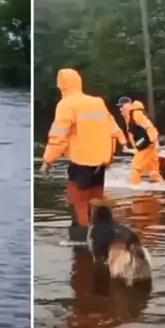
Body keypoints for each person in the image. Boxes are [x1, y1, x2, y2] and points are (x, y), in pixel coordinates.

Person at [40, 68, 125, 241]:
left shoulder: (66, 105)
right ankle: (102, 238)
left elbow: (58, 136)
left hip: (81, 160)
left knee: (78, 204)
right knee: (97, 202)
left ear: (62, 86)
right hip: (100, 162)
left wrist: (47, 161)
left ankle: (81, 242)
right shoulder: (97, 102)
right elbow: (113, 128)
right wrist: (117, 148)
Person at [116, 97, 163, 184]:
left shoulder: (136, 114)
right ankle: (159, 186)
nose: (120, 109)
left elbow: (149, 127)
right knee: (153, 171)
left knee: (135, 168)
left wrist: (154, 142)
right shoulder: (130, 116)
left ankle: (136, 190)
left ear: (127, 105)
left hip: (147, 145)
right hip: (147, 145)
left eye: (121, 106)